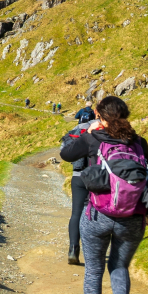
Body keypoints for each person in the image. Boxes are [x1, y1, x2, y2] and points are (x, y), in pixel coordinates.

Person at [60, 96, 148, 294]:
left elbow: (66, 155)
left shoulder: (93, 137)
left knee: (94, 270)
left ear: (98, 114)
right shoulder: (139, 142)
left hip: (98, 215)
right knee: (119, 266)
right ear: (125, 115)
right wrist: (144, 210)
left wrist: (87, 131)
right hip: (133, 217)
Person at [61, 106, 98, 266]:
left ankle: (73, 249)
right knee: (97, 212)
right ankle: (94, 253)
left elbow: (64, 152)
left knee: (76, 212)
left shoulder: (76, 129)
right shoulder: (100, 127)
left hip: (77, 176)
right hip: (98, 177)